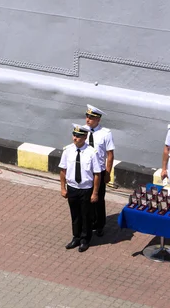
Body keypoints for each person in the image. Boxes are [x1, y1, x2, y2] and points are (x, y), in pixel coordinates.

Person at [59, 124, 101, 253]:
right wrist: (63, 188)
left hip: (86, 188)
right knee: (75, 215)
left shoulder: (92, 153)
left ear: (85, 137)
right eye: (74, 135)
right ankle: (76, 237)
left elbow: (97, 174)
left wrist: (95, 192)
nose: (75, 138)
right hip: (72, 187)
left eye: (78, 136)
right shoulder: (67, 150)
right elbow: (63, 170)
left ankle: (85, 239)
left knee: (86, 215)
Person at [84, 104, 115, 237]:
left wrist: (107, 173)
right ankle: (89, 222)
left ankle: (100, 224)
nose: (88, 120)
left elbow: (110, 155)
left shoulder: (105, 134)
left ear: (98, 120)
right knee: (86, 198)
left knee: (99, 199)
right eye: (87, 116)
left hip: (100, 171)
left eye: (91, 118)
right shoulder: (82, 130)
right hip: (86, 170)